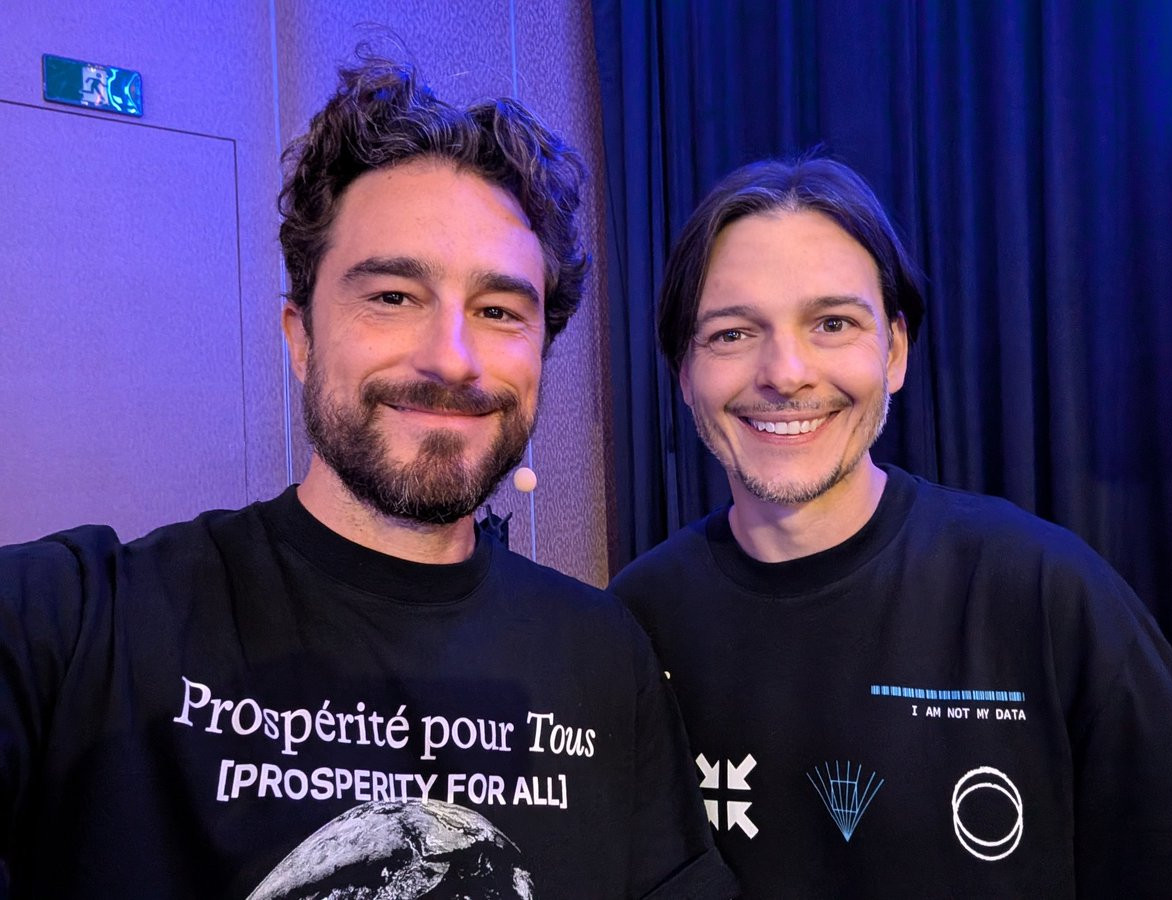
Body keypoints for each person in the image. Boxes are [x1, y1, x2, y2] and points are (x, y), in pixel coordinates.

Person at [0, 59, 734, 899]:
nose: (450, 358)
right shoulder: (84, 628)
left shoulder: (604, 655)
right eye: (391, 296)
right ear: (300, 336)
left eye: (498, 311)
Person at [609, 156, 1172, 898]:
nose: (785, 373)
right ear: (683, 371)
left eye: (833, 324)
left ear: (894, 351)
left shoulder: (1044, 593)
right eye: (732, 334)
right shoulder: (635, 624)